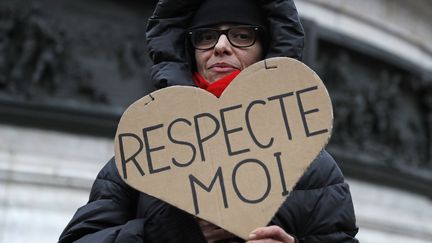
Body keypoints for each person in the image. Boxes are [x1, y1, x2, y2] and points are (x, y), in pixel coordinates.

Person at [59, 0, 359, 242]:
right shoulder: (145, 150)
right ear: (190, 50)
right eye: (206, 36)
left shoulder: (315, 166)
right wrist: (172, 233)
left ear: (265, 50)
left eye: (242, 35)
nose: (220, 46)